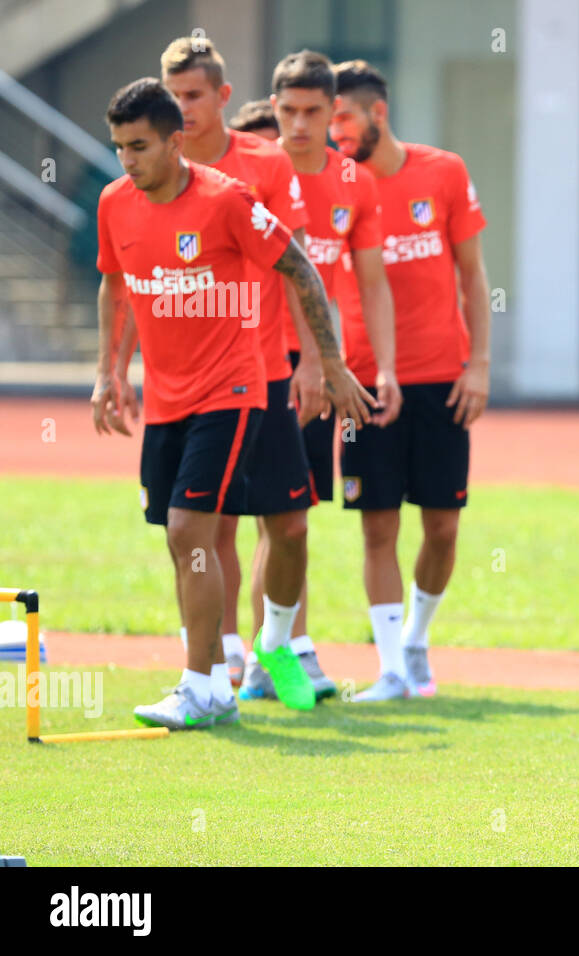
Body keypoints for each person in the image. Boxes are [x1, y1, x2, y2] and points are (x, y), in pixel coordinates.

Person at [93, 77, 373, 729]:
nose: (128, 161)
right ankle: (216, 676)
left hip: (237, 389)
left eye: (139, 147)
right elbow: (114, 286)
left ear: (174, 139)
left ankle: (209, 680)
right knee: (177, 533)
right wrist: (109, 371)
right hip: (166, 398)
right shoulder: (114, 203)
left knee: (203, 526)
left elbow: (299, 266)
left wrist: (327, 363)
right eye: (119, 148)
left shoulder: (227, 200)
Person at [152, 36, 338, 701]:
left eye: (193, 95)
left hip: (267, 369)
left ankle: (274, 646)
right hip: (190, 384)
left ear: (223, 96)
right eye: (172, 96)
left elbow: (297, 266)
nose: (182, 108)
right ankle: (217, 662)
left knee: (289, 524)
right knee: (206, 527)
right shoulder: (152, 173)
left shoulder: (264, 163)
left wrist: (313, 359)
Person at [235, 51, 402, 703]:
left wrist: (377, 366)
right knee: (273, 517)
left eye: (313, 111)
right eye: (287, 110)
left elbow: (370, 283)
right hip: (255, 369)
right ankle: (266, 657)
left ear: (335, 113)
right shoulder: (251, 173)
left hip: (315, 370)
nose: (299, 124)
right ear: (271, 108)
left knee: (293, 516)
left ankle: (276, 655)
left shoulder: (355, 182)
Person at [328, 60, 491, 700]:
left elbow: (473, 275)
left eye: (341, 117)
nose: (333, 130)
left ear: (378, 113)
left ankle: (417, 639)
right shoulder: (333, 185)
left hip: (442, 377)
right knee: (376, 523)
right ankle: (391, 667)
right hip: (363, 382)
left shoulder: (443, 171)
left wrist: (478, 363)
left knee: (443, 525)